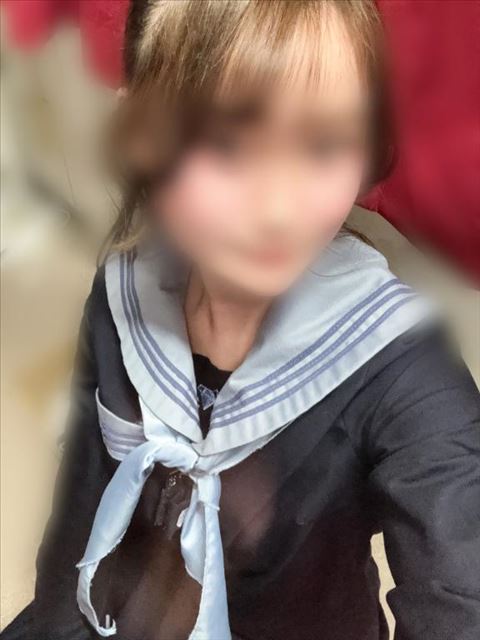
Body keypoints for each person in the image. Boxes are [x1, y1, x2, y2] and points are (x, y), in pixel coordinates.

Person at [2, 1, 480, 639]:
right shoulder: (123, 292)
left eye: (325, 143)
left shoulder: (401, 364)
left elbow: (461, 592)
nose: (279, 207)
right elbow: (79, 518)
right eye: (225, 143)